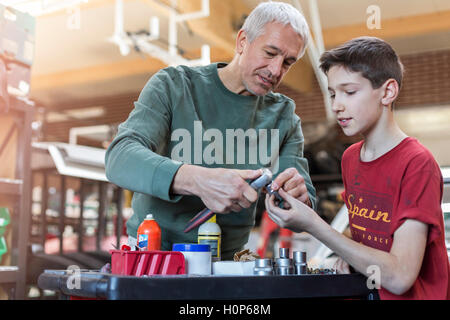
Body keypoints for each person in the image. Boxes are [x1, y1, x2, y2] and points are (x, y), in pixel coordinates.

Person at [105, 2, 317, 260]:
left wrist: (299, 199)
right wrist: (198, 180)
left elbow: (304, 211)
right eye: (270, 53)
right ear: (242, 41)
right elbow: (120, 158)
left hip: (228, 265)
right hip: (152, 257)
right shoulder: (174, 86)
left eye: (288, 63)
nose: (276, 70)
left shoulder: (284, 116)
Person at [265, 36, 450, 299]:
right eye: (332, 93)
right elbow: (366, 226)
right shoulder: (351, 158)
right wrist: (346, 250)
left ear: (387, 92)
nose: (336, 106)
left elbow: (399, 277)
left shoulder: (417, 163)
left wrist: (314, 224)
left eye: (349, 92)